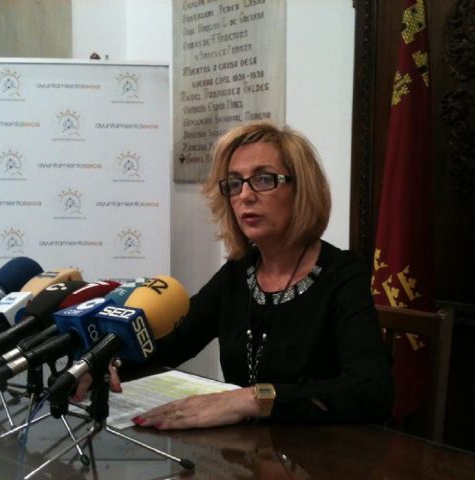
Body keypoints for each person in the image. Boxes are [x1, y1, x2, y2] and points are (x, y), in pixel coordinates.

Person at [78, 121, 394, 429]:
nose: (244, 195)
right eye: (234, 183)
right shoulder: (239, 273)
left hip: (321, 451)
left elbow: (371, 391)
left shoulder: (342, 275)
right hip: (246, 451)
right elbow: (175, 343)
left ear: (302, 189)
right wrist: (107, 363)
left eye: (264, 179)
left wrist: (251, 400)